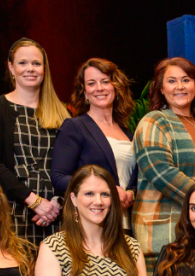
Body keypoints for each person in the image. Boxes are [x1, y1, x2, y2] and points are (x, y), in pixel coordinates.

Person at [0, 37, 70, 244]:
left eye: (36, 63)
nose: (30, 69)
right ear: (11, 68)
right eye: (23, 63)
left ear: (44, 69)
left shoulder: (63, 114)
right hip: (11, 211)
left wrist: (56, 204)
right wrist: (35, 202)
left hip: (55, 214)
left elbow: (70, 167)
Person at [133, 58, 195, 275]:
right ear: (161, 89)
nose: (180, 86)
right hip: (166, 233)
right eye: (171, 81)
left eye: (186, 80)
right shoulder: (154, 122)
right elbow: (160, 171)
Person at [51, 58, 139, 224]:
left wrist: (131, 194)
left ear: (116, 87)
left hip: (128, 222)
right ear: (84, 93)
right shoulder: (75, 127)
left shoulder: (128, 133)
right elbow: (59, 177)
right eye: (91, 83)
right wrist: (105, 189)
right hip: (92, 222)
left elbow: (134, 179)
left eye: (105, 81)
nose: (99, 88)